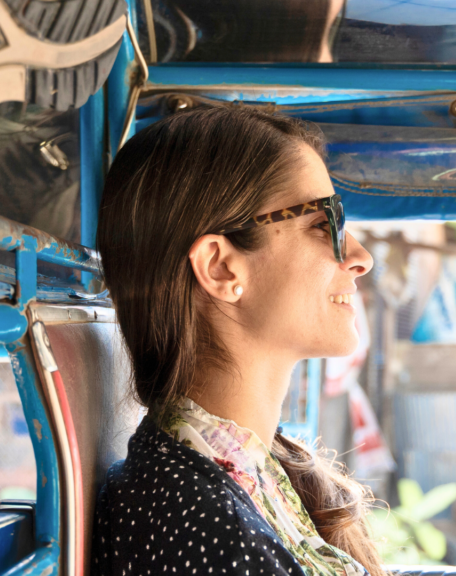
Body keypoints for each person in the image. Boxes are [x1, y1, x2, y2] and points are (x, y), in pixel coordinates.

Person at [91, 105, 383, 576]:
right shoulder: (204, 525)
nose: (360, 257)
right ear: (221, 268)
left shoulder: (238, 473)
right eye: (322, 224)